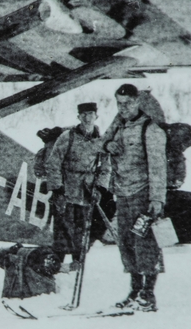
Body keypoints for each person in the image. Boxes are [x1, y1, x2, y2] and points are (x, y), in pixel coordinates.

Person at [102, 83, 167, 312]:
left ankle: (148, 295)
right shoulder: (118, 125)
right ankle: (134, 291)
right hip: (122, 192)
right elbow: (101, 142)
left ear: (138, 102)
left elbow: (158, 167)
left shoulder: (150, 130)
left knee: (145, 244)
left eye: (128, 103)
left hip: (142, 194)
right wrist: (109, 145)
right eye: (119, 104)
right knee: (126, 244)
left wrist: (157, 200)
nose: (123, 108)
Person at [43, 101, 110, 273]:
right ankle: (56, 266)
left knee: (82, 230)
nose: (87, 118)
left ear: (96, 117)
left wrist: (100, 188)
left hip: (87, 191)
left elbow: (105, 168)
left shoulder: (101, 141)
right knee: (62, 229)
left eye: (91, 114)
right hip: (67, 189)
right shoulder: (68, 137)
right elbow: (53, 163)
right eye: (84, 115)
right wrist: (57, 189)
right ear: (78, 117)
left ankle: (77, 265)